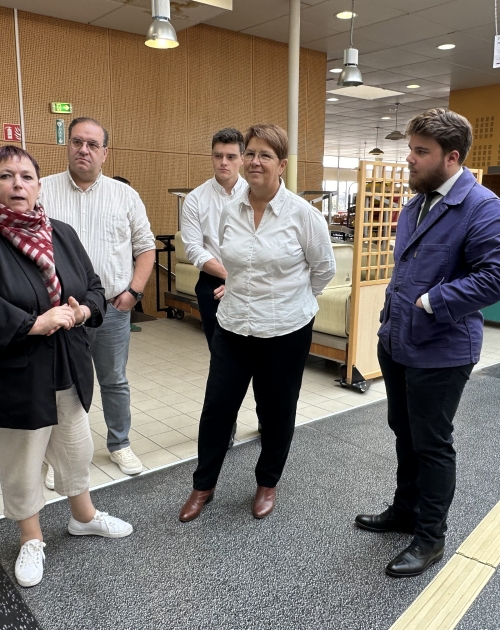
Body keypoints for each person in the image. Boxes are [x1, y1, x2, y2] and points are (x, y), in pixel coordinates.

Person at [355, 108, 500, 578]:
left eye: (421, 152)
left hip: (442, 347)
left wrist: (432, 301)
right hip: (398, 342)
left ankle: (430, 537)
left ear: (451, 157)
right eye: (409, 150)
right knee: (405, 432)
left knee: (433, 443)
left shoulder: (482, 207)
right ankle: (405, 510)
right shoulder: (416, 203)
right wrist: (390, 322)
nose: (410, 161)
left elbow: (494, 277)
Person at [179, 124, 336, 522]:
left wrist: (291, 299)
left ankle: (267, 482)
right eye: (250, 153)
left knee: (277, 408)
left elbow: (324, 270)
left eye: (265, 155)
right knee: (217, 407)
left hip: (285, 330)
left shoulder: (303, 215)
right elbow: (232, 263)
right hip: (233, 325)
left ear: (282, 165)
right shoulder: (230, 210)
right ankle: (203, 486)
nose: (253, 161)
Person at [0, 145, 133, 588]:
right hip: (20, 373)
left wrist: (81, 312)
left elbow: (93, 287)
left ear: (40, 186)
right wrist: (33, 323)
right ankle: (30, 538)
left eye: (26, 176)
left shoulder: (62, 233)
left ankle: (83, 516)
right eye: (6, 176)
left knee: (75, 448)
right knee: (24, 460)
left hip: (69, 366)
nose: (18, 184)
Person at [41, 117, 156, 478]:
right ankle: (49, 455)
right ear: (67, 146)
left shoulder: (125, 195)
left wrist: (134, 291)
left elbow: (146, 247)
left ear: (105, 152)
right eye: (77, 142)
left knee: (114, 380)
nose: (83, 150)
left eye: (92, 145)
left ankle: (120, 444)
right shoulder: (42, 191)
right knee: (53, 382)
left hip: (110, 309)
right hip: (56, 312)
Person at [181, 127, 247, 448]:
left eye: (231, 156)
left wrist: (240, 280)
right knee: (222, 360)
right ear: (211, 156)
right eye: (218, 156)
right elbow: (195, 249)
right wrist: (229, 278)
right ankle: (225, 427)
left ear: (242, 159)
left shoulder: (258, 193)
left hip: (253, 283)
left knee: (261, 356)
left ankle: (266, 417)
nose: (224, 162)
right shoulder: (195, 199)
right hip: (212, 284)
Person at [113, 176, 143, 333]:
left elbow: (143, 242)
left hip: (129, 257)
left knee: (130, 289)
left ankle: (130, 318)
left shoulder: (131, 206)